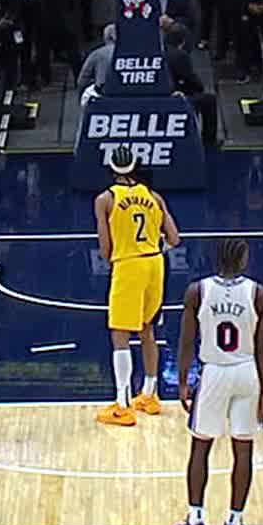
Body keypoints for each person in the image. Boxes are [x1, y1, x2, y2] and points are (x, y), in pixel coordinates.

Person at [173, 239, 263, 525]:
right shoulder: (260, 294)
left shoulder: (197, 291)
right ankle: (234, 523)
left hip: (214, 372)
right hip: (247, 373)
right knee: (243, 451)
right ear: (243, 260)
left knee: (201, 447)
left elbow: (187, 340)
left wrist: (182, 380)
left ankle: (195, 521)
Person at [96, 145, 182, 427]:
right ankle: (149, 395)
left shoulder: (105, 199)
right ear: (136, 166)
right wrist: (154, 249)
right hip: (155, 264)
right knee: (148, 330)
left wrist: (121, 255)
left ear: (111, 168)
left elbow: (105, 248)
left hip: (129, 264)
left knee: (120, 335)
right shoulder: (153, 196)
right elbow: (174, 238)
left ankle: (123, 406)